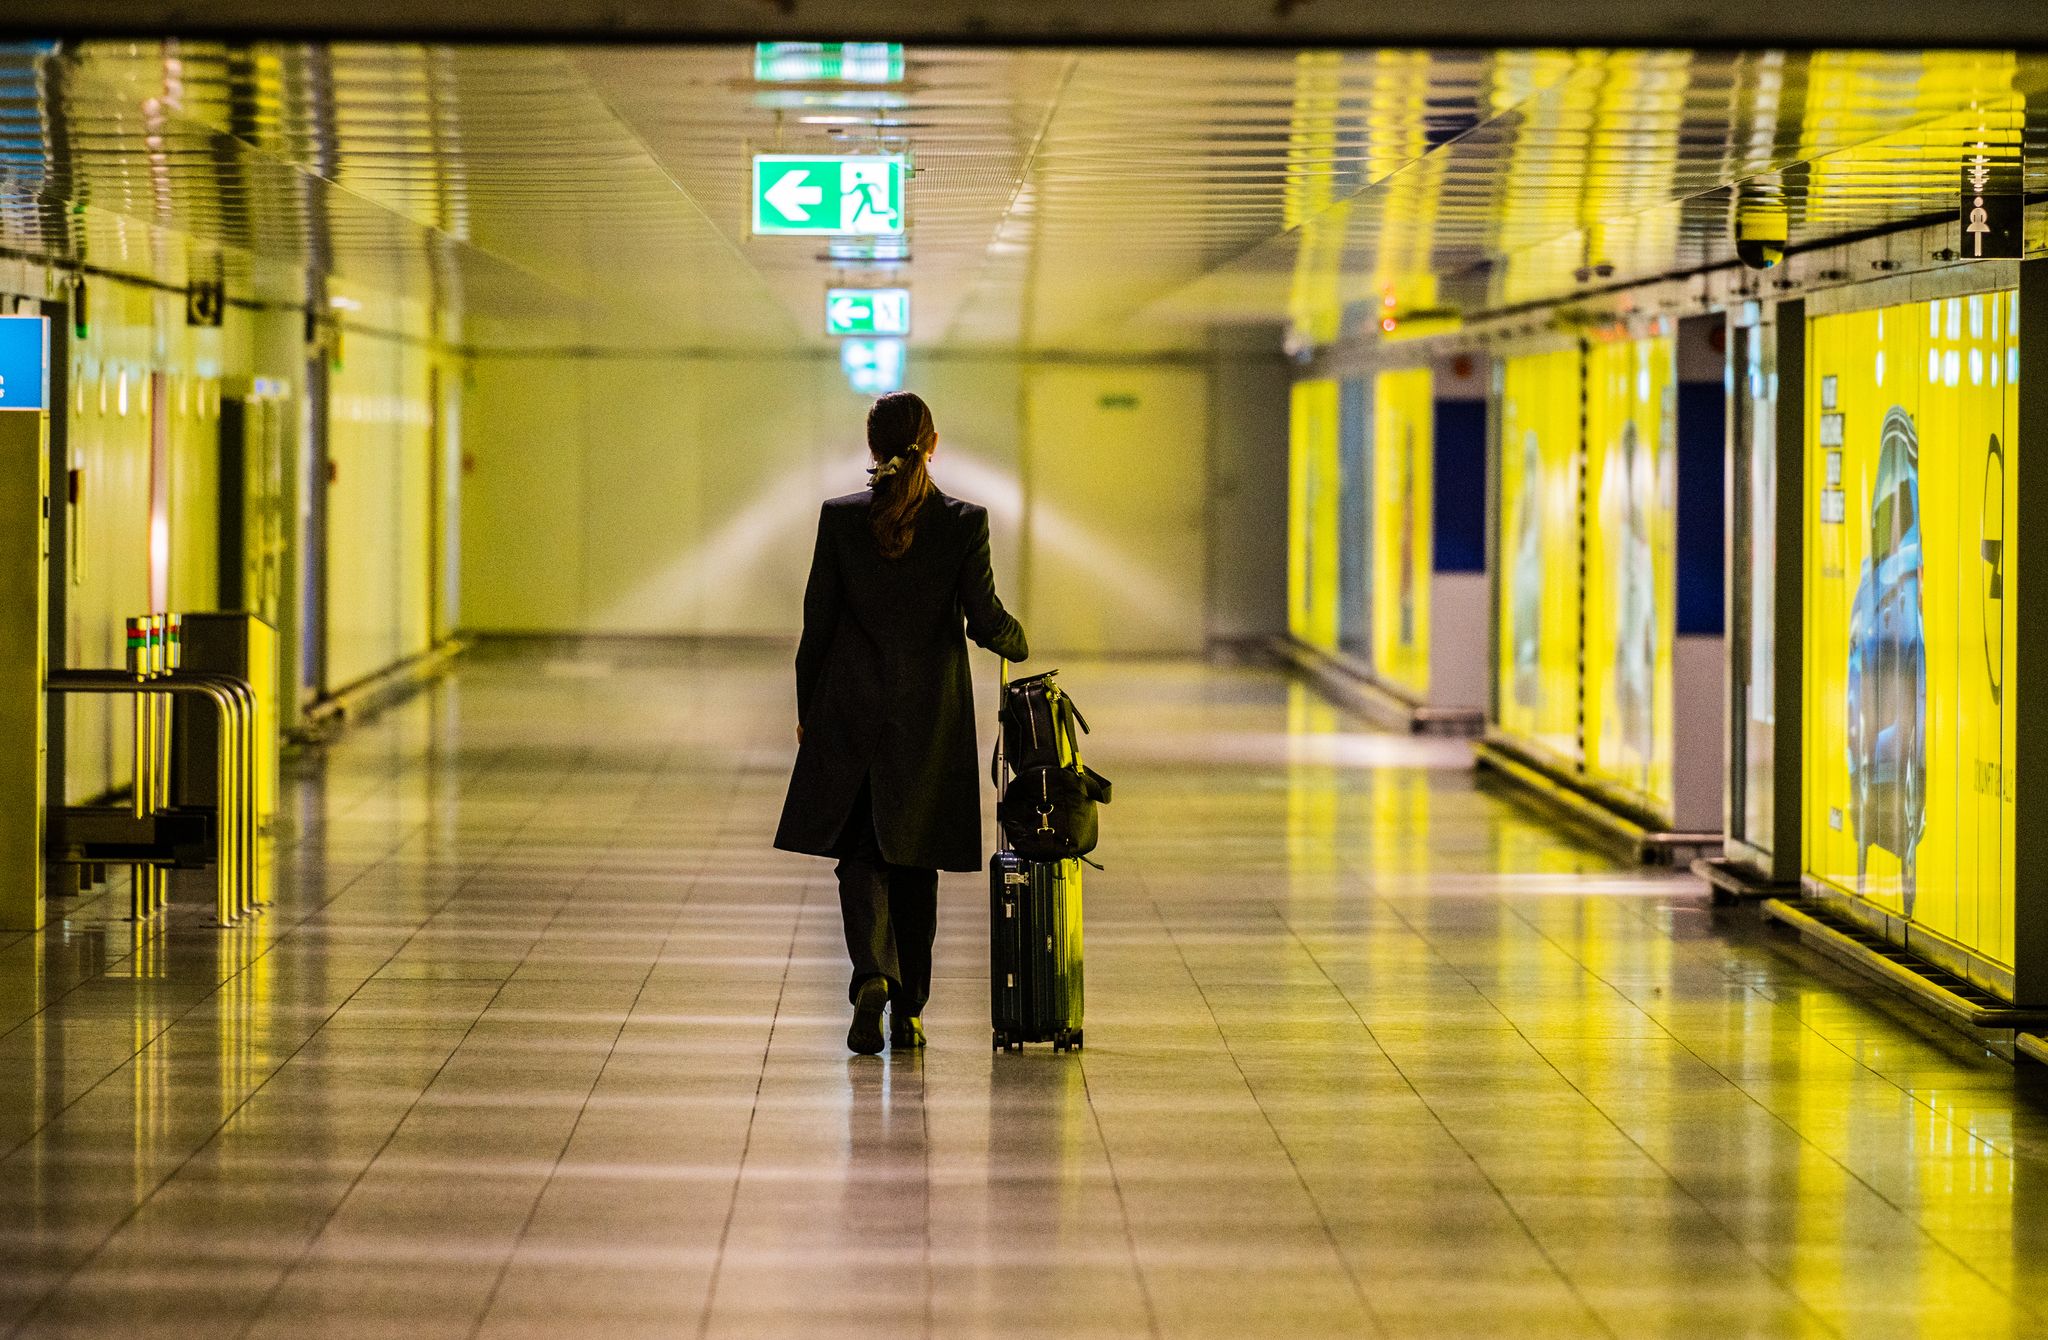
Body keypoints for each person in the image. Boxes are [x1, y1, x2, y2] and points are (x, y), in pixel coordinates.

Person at [774, 391, 1029, 1054]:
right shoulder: (962, 522)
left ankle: (871, 978)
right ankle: (910, 1008)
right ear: (933, 444)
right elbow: (984, 617)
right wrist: (1015, 638)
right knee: (918, 864)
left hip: (852, 711)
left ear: (872, 447)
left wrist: (808, 713)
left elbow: (818, 629)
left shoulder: (840, 521)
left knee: (861, 854)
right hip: (930, 718)